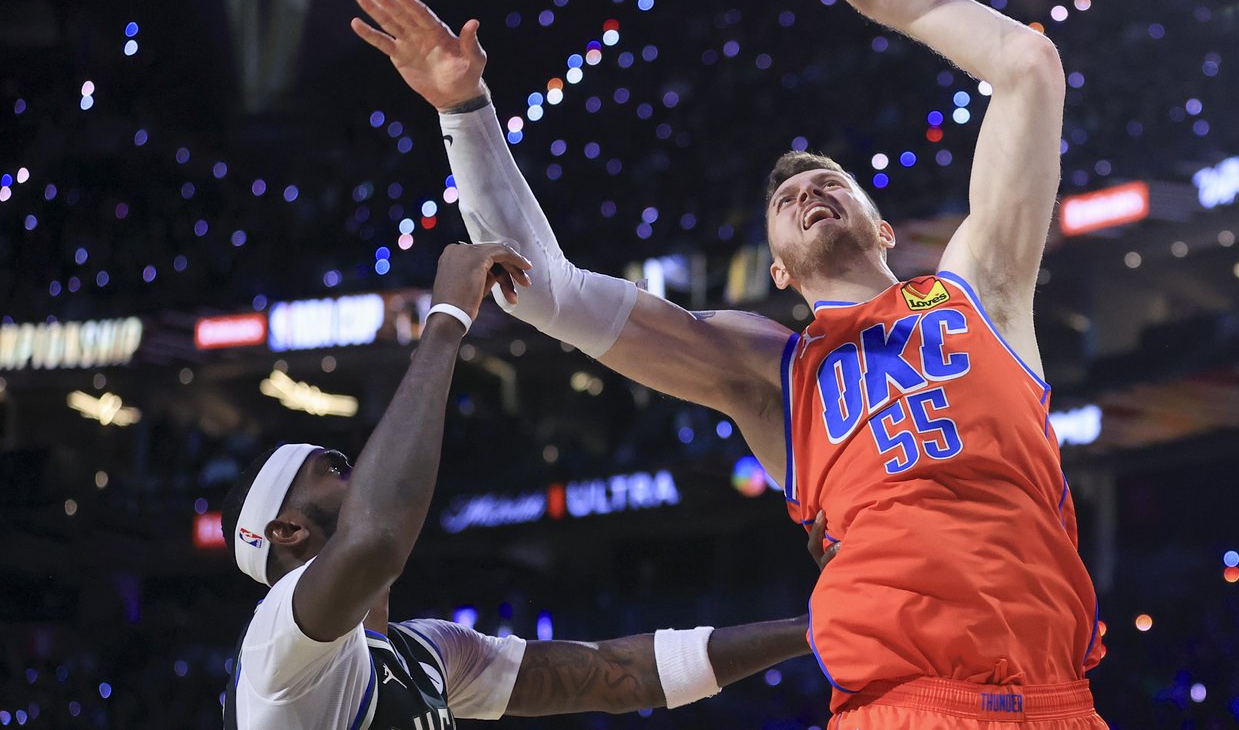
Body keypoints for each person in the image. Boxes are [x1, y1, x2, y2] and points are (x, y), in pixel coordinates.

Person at [351, 0, 1107, 728]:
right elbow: (548, 288)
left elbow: (1028, 67)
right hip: (902, 702)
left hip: (1058, 698)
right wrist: (463, 109)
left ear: (884, 230)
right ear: (778, 271)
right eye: (786, 199)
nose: (807, 189)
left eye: (828, 182)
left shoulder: (979, 293)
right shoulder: (769, 371)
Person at [220, 241, 811, 729]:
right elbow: (374, 539)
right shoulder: (276, 643)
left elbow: (612, 674)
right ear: (288, 530)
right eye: (339, 471)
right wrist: (447, 319)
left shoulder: (424, 652)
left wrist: (811, 630)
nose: (366, 475)